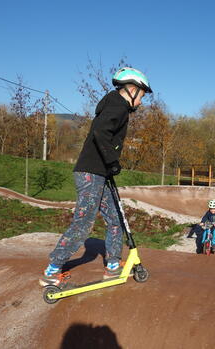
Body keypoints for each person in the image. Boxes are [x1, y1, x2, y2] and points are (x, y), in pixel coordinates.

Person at [39, 67, 152, 287]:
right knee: (83, 222)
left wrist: (109, 166)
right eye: (141, 96)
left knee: (114, 219)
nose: (141, 102)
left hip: (100, 172)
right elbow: (101, 132)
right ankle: (52, 270)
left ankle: (112, 267)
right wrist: (112, 161)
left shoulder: (114, 105)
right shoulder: (117, 107)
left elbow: (103, 136)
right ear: (132, 90)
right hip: (91, 173)